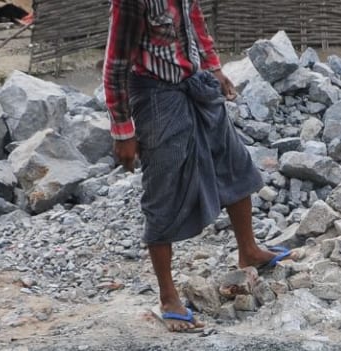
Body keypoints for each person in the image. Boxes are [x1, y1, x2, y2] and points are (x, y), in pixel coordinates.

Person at [104, 0, 287, 332]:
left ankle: (248, 250)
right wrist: (123, 130)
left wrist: (213, 67)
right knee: (163, 186)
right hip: (156, 96)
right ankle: (168, 296)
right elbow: (115, 65)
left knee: (232, 160)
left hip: (195, 81)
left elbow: (195, 21)